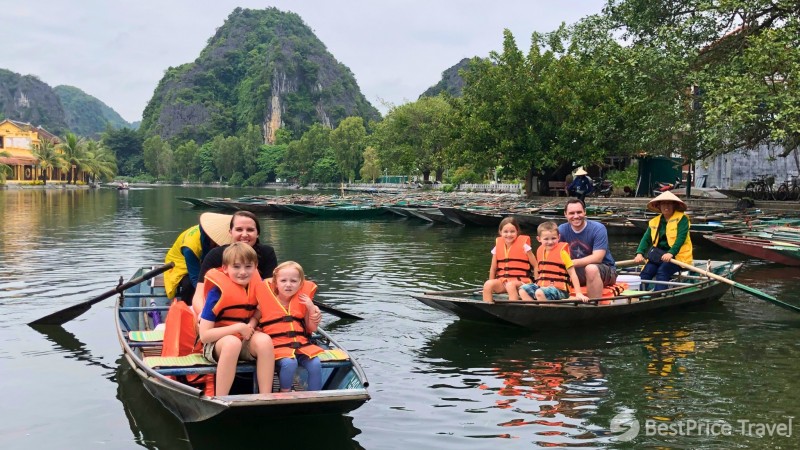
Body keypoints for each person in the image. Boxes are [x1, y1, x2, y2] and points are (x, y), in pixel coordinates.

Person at [198, 243, 275, 396]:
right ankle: (221, 398)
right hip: (217, 344)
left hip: (246, 338)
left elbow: (259, 311)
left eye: (248, 266)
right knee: (232, 343)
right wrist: (238, 328)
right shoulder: (216, 293)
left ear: (255, 267)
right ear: (225, 268)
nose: (243, 272)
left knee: (265, 341)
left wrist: (251, 324)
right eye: (236, 267)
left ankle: (266, 397)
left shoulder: (258, 288)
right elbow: (205, 335)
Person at [191, 210, 278, 311]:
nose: (244, 234)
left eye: (250, 230)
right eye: (239, 230)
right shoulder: (215, 255)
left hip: (255, 312)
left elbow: (270, 291)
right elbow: (199, 295)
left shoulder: (267, 252)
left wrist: (255, 320)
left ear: (257, 233)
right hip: (219, 314)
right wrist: (203, 316)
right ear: (230, 232)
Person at [258, 261, 324, 392]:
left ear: (300, 283)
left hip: (302, 346)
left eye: (293, 281)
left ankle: (316, 396)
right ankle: (285, 391)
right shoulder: (266, 300)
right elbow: (255, 318)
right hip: (278, 348)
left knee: (316, 363)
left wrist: (311, 308)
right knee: (289, 363)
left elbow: (312, 328)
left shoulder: (304, 302)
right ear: (276, 283)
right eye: (283, 280)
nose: (288, 284)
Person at [163, 212, 233, 304]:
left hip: (200, 258)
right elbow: (195, 277)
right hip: (180, 263)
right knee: (189, 284)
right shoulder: (191, 247)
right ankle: (187, 306)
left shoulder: (215, 237)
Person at [633, 191, 693, 290]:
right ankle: (638, 295)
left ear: (674, 205)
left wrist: (671, 253)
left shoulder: (682, 219)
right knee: (647, 271)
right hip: (658, 256)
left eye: (669, 203)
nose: (666, 206)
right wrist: (639, 253)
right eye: (663, 203)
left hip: (677, 257)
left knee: (663, 270)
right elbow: (646, 238)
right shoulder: (655, 221)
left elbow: (680, 239)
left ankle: (658, 296)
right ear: (659, 206)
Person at [558, 199, 617, 298]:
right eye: (571, 213)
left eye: (579, 212)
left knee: (591, 269)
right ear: (565, 214)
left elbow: (597, 258)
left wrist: (571, 263)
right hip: (576, 272)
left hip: (604, 270)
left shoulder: (598, 228)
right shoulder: (561, 230)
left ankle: (593, 305)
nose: (576, 216)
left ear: (584, 212)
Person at [518, 221, 589, 302]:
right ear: (539, 239)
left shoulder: (562, 253)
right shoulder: (540, 250)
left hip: (560, 290)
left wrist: (578, 293)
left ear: (558, 237)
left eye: (553, 238)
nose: (550, 242)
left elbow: (572, 273)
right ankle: (533, 311)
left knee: (539, 293)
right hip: (542, 287)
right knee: (522, 290)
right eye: (546, 239)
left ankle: (546, 311)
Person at [482, 217, 537, 303]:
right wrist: (491, 283)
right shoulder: (497, 247)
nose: (509, 235)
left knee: (510, 285)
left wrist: (537, 284)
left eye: (512, 231)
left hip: (521, 283)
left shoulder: (525, 246)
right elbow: (493, 268)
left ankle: (513, 308)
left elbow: (535, 265)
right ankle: (488, 306)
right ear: (500, 232)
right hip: (503, 282)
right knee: (488, 284)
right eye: (505, 232)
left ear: (517, 232)